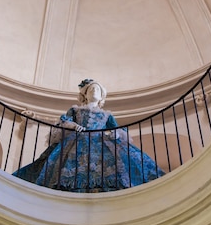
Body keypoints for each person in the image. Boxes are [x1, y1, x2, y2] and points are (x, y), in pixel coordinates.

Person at [12, 79, 164, 192]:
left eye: (97, 90)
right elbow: (64, 121)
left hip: (101, 142)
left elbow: (118, 129)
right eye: (90, 89)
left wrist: (116, 133)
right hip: (76, 141)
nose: (94, 92)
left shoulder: (106, 115)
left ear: (102, 96)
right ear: (84, 94)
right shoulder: (76, 110)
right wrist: (73, 125)